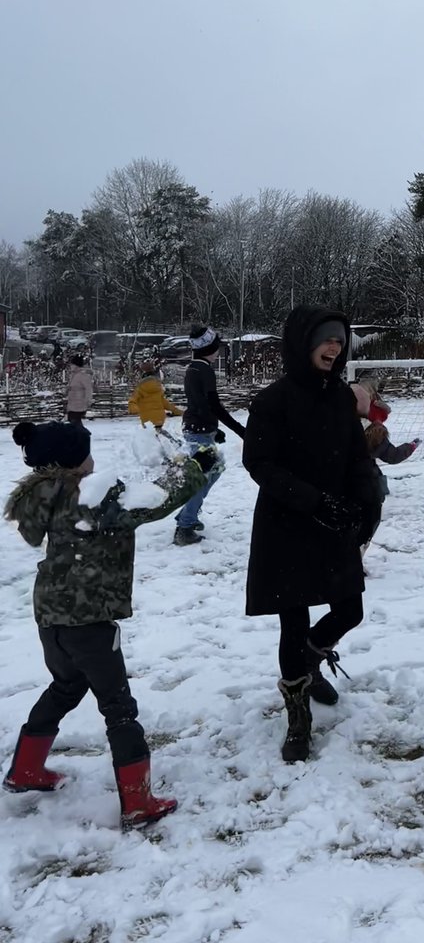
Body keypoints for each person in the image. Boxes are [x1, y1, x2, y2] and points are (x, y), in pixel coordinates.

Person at [3, 420, 214, 828]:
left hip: (51, 615)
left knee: (66, 686)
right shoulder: (90, 496)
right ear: (74, 460)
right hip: (89, 619)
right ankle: (138, 802)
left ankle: (26, 769)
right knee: (119, 708)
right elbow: (157, 499)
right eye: (87, 452)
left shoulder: (45, 494)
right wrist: (195, 466)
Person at [243, 307, 384, 763]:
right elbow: (259, 464)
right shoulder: (272, 401)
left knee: (349, 609)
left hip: (336, 521)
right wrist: (312, 500)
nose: (334, 348)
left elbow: (357, 458)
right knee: (293, 620)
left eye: (340, 341)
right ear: (303, 343)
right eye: (327, 340)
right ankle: (298, 718)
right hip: (287, 525)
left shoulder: (342, 397)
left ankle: (308, 660)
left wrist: (366, 505)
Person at [172, 324, 245, 545]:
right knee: (202, 478)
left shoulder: (194, 368)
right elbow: (214, 405)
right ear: (207, 349)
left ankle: (187, 515)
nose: (217, 351)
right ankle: (185, 526)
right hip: (199, 432)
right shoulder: (204, 370)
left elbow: (201, 405)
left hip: (199, 429)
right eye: (215, 347)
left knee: (214, 471)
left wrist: (216, 428)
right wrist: (239, 430)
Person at [128, 360, 183, 430]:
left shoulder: (140, 388)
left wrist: (133, 409)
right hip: (160, 418)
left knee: (150, 436)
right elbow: (165, 403)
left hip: (147, 419)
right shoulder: (158, 387)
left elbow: (132, 401)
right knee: (157, 433)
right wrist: (177, 411)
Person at [65, 354, 93, 424]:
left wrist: (88, 401)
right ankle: (79, 434)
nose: (71, 366)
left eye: (72, 364)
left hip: (79, 404)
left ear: (76, 365)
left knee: (75, 424)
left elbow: (88, 389)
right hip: (72, 404)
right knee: (73, 423)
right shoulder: (73, 375)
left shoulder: (82, 375)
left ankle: (83, 434)